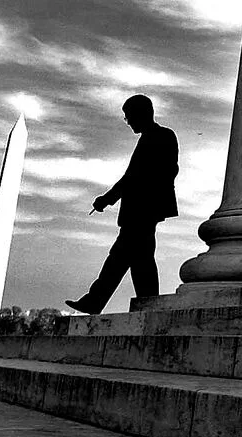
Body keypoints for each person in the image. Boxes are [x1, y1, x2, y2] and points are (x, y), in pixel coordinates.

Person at [65, 94, 178, 314]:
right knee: (138, 259)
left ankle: (98, 301)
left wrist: (106, 199)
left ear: (141, 114)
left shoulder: (159, 136)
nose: (128, 122)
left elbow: (135, 177)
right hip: (143, 210)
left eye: (129, 117)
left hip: (143, 210)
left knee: (122, 257)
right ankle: (147, 304)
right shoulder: (155, 137)